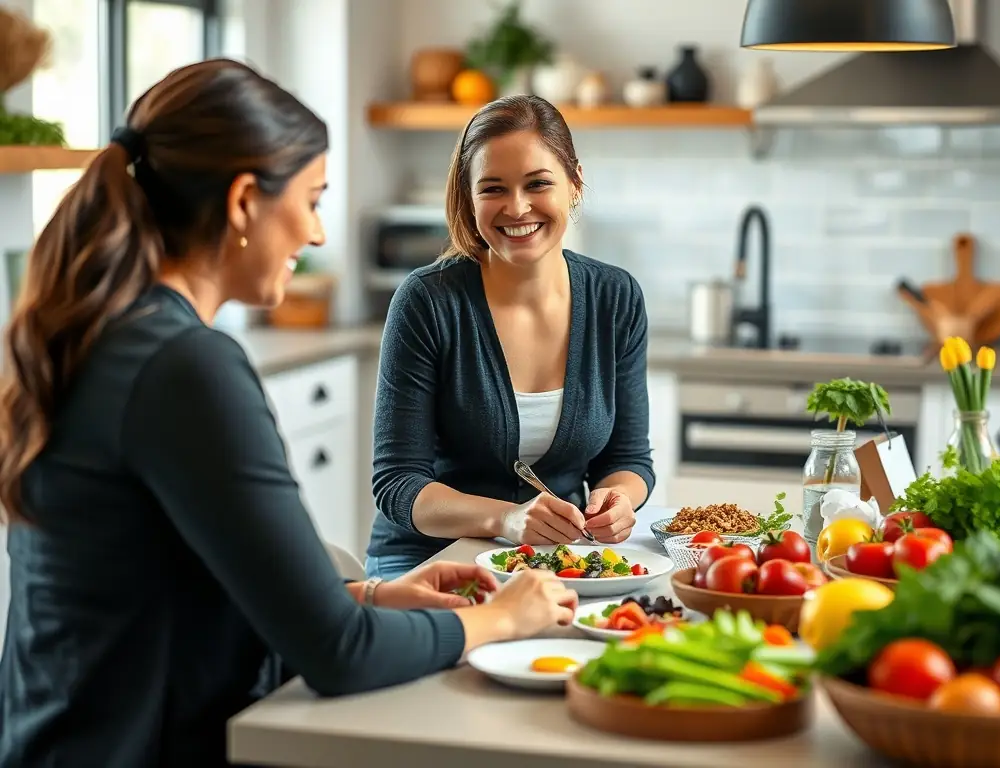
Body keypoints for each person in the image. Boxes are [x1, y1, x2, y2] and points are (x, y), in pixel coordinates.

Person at [0, 60, 578, 768]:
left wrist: (366, 594)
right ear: (245, 202)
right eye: (311, 200)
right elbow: (339, 654)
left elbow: (172, 574)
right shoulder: (185, 366)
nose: (317, 235)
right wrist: (501, 619)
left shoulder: (107, 335)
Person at [365, 95, 655, 581]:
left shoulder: (615, 297)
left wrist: (619, 499)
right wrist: (506, 518)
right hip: (425, 560)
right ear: (468, 197)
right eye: (493, 188)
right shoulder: (427, 302)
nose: (517, 207)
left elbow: (627, 459)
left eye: (538, 183)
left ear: (574, 183)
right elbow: (398, 484)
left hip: (554, 560)